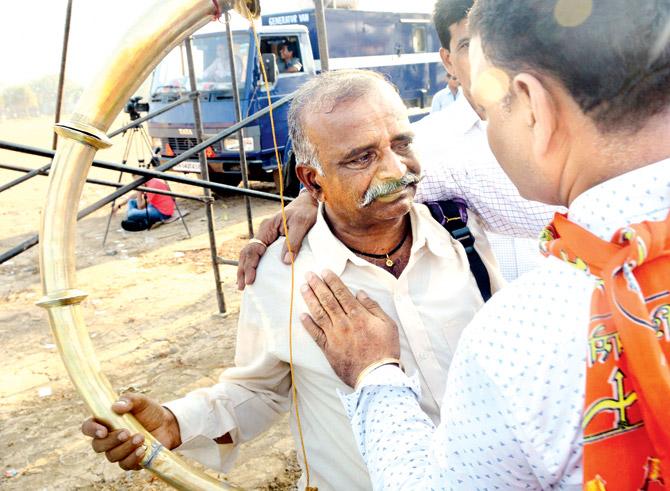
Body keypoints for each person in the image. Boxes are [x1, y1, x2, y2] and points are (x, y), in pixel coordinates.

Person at [299, 0, 670, 488]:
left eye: (491, 110)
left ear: (533, 105)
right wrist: (319, 197)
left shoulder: (519, 342)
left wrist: (374, 374)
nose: (488, 131)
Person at [81, 70, 505, 490]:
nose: (396, 170)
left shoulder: (461, 233)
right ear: (311, 180)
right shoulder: (277, 273)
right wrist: (174, 423)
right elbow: (258, 391)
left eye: (401, 144)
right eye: (362, 157)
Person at [235, 0, 558, 288]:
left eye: (500, 44)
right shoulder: (424, 148)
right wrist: (309, 200)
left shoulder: (569, 128)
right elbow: (353, 185)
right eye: (468, 45)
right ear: (447, 61)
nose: (488, 60)